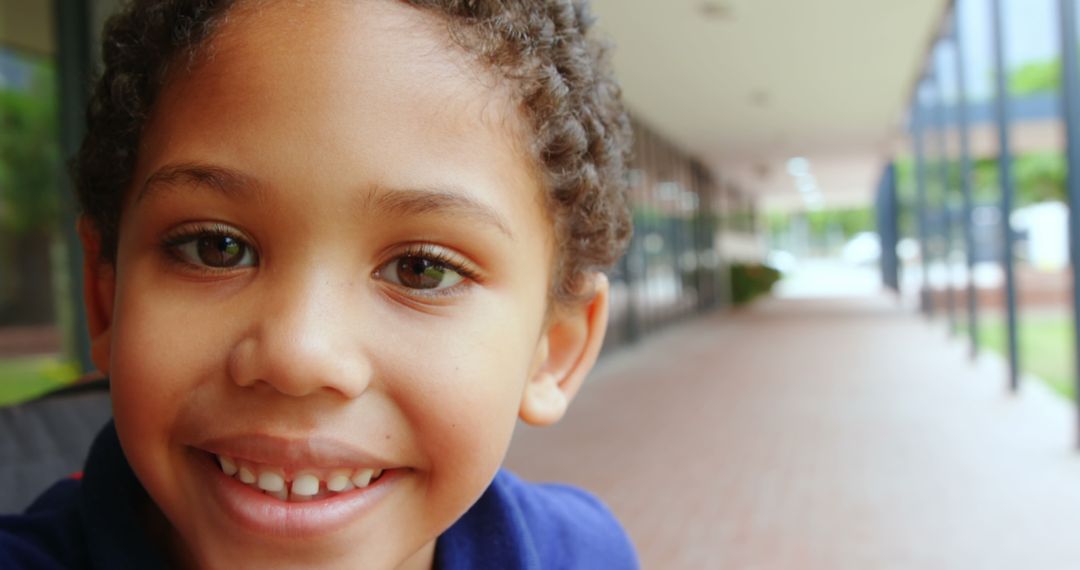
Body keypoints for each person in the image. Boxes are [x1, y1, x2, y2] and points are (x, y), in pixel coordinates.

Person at [0, 0, 638, 568]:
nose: (298, 354)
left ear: (552, 349)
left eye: (422, 268)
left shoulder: (584, 555)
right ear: (106, 299)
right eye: (216, 248)